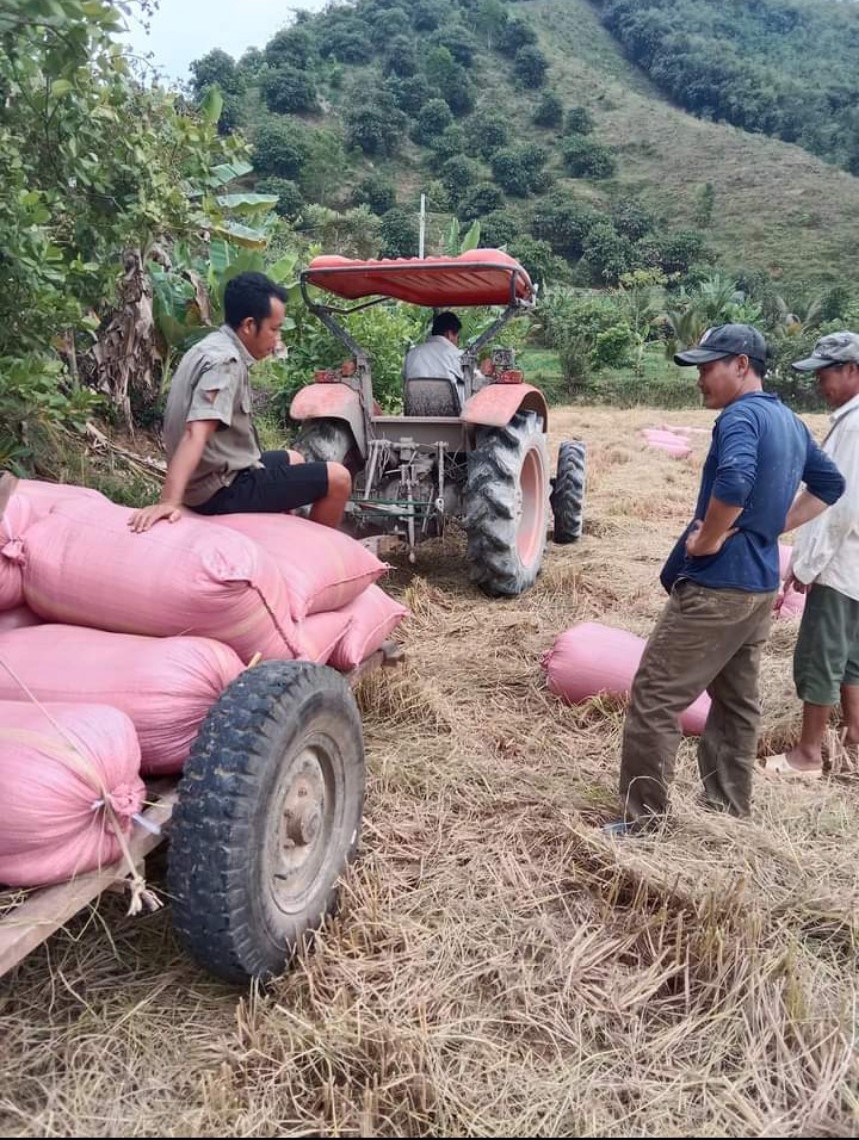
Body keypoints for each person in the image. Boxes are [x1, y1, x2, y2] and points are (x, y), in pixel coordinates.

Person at [610, 323, 845, 834]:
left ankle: (643, 822)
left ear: (742, 364)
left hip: (718, 587)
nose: (700, 379)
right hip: (758, 589)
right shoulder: (787, 419)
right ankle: (729, 807)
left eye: (708, 367)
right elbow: (830, 482)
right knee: (737, 705)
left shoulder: (740, 418)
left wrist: (712, 538)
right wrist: (771, 527)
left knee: (655, 697)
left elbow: (735, 481)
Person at [129, 272, 351, 532]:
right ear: (248, 325)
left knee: (294, 458)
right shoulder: (226, 363)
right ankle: (314, 561)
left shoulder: (209, 346)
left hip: (212, 474)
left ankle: (281, 532)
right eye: (274, 329)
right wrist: (168, 501)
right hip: (219, 490)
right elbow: (195, 433)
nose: (277, 340)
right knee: (338, 478)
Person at [765, 331, 859, 776]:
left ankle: (807, 754)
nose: (820, 382)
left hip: (842, 563)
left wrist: (806, 565)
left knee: (820, 655)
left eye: (826, 373)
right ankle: (855, 734)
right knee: (851, 655)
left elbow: (839, 508)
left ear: (852, 371)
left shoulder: (855, 425)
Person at [403, 310, 466, 406]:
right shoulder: (456, 355)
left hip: (416, 412)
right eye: (457, 337)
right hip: (450, 415)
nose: (457, 342)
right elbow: (471, 380)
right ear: (449, 334)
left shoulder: (412, 354)